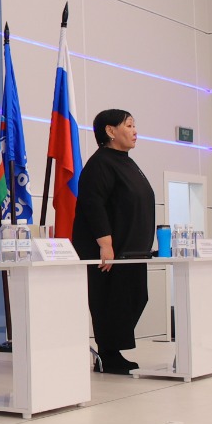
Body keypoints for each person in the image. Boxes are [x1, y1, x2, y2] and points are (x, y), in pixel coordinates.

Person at [71, 110, 155, 374]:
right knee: (111, 300)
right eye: (129, 125)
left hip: (132, 251)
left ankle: (112, 350)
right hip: (110, 252)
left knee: (136, 297)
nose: (135, 131)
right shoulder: (100, 164)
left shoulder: (126, 162)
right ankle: (109, 354)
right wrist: (105, 244)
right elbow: (93, 204)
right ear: (110, 131)